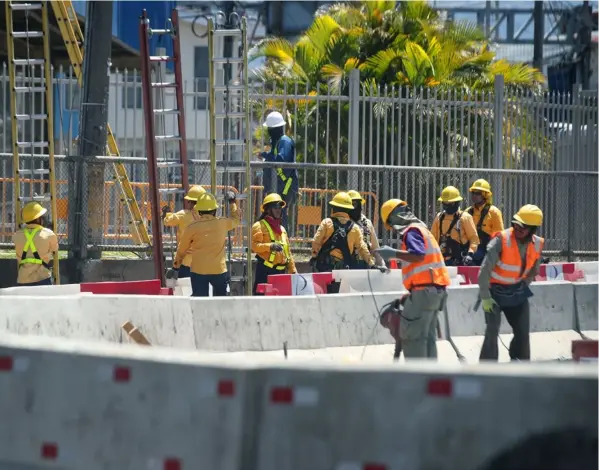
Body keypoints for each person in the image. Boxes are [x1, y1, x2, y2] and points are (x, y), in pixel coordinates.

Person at [374, 199, 450, 360]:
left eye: (391, 223)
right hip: (435, 292)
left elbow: (418, 255)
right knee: (428, 339)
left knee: (412, 338)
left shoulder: (412, 231)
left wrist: (393, 254)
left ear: (394, 217)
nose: (394, 228)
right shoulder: (423, 230)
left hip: (424, 292)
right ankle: (429, 380)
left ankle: (417, 382)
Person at [478, 204, 544, 362]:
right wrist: (486, 297)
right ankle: (487, 368)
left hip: (517, 292)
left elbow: (534, 270)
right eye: (516, 224)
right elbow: (484, 272)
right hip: (494, 292)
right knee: (492, 331)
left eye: (523, 227)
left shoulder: (537, 244)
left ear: (532, 229)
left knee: (522, 332)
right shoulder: (501, 240)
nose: (518, 229)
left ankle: (519, 364)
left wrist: (524, 284)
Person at [171, 191, 240, 297]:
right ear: (215, 210)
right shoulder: (222, 223)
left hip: (198, 271)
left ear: (199, 211)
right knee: (221, 302)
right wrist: (232, 203)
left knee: (199, 302)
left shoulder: (192, 227)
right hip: (219, 270)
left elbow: (182, 250)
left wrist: (176, 267)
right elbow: (236, 220)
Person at [312, 192, 382, 292]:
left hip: (326, 266)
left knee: (324, 294)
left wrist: (314, 256)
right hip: (345, 270)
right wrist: (371, 263)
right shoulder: (355, 228)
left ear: (333, 208)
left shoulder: (326, 223)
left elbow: (316, 241)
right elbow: (362, 248)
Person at [257, 111, 298, 230]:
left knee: (280, 214)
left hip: (285, 186)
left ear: (274, 128)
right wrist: (266, 155)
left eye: (270, 128)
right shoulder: (278, 142)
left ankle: (283, 240)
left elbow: (281, 160)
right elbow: (275, 155)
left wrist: (267, 156)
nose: (269, 131)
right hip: (279, 185)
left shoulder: (284, 141)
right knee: (273, 214)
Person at [251, 193, 297, 295]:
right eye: (275, 207)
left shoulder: (282, 229)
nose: (278, 210)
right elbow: (254, 247)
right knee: (261, 302)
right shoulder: (259, 226)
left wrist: (293, 271)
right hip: (265, 272)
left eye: (280, 208)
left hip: (281, 273)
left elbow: (288, 253)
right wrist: (270, 246)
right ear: (267, 209)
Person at [161, 185, 206, 278]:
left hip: (186, 262)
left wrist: (166, 213)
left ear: (190, 202)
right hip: (204, 263)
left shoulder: (184, 215)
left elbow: (167, 221)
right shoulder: (208, 217)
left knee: (186, 288)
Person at [431, 186, 479, 266]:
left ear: (457, 202)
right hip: (441, 260)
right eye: (444, 203)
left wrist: (470, 254)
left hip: (459, 260)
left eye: (450, 203)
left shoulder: (465, 217)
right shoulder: (439, 217)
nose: (446, 205)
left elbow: (474, 239)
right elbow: (432, 239)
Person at [13, 202, 58, 286]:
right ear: (38, 219)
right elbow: (54, 249)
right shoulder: (49, 234)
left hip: (23, 278)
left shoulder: (16, 236)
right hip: (42, 277)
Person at [465, 179, 504, 265]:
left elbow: (499, 236)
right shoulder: (468, 212)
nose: (474, 195)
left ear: (485, 195)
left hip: (486, 250)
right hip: (470, 248)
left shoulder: (494, 212)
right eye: (473, 193)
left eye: (478, 193)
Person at [347, 190, 385, 268]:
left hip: (365, 264)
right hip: (347, 264)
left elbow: (375, 248)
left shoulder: (367, 223)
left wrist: (382, 265)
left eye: (355, 204)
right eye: (350, 205)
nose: (353, 208)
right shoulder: (342, 223)